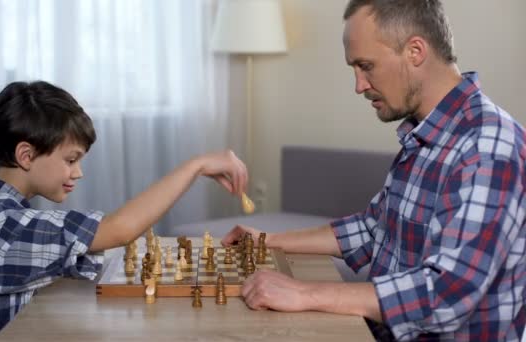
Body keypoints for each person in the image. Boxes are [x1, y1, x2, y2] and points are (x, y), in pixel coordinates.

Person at [222, 0, 526, 341]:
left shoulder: (487, 146)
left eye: (366, 66)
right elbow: (373, 228)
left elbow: (447, 293)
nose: (359, 85)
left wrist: (304, 293)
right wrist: (267, 241)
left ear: (415, 51)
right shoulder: (425, 134)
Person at [0, 80, 248, 341]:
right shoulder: (3, 226)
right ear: (26, 155)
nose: (78, 172)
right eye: (71, 160)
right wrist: (196, 166)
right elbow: (120, 229)